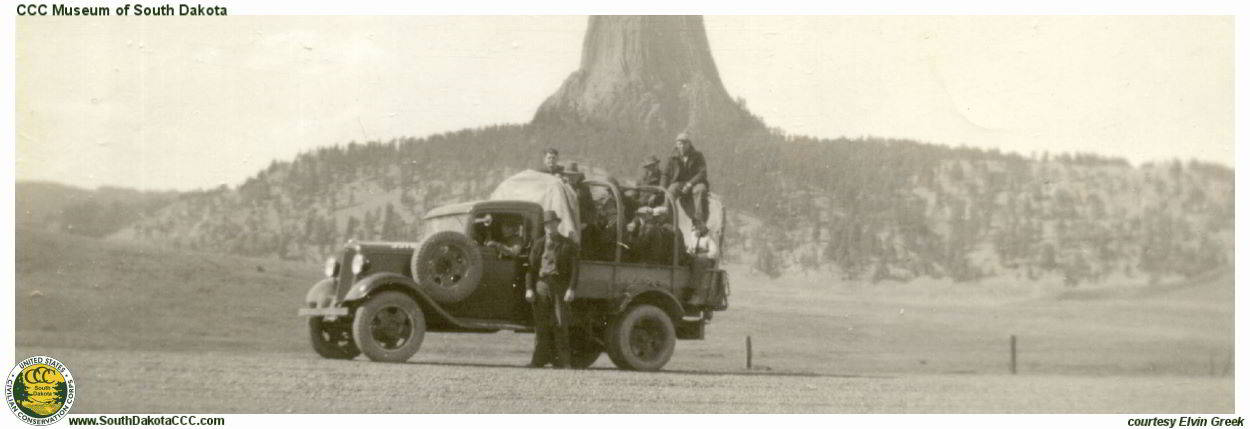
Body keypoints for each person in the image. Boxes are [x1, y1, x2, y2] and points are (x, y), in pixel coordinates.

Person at [525, 210, 579, 368]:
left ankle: (564, 361)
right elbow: (530, 268)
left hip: (559, 286)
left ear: (558, 224)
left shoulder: (567, 244)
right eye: (547, 224)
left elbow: (575, 269)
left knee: (560, 323)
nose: (550, 227)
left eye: (553, 223)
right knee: (541, 324)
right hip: (541, 285)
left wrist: (571, 289)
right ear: (545, 226)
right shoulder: (539, 243)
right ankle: (538, 361)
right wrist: (529, 289)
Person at [662, 133, 710, 226]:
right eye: (679, 144)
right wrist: (662, 189)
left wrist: (690, 184)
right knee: (670, 191)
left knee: (700, 190)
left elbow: (702, 172)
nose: (682, 146)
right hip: (679, 183)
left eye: (684, 143)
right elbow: (665, 174)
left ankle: (698, 221)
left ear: (689, 144)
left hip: (695, 183)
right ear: (676, 145)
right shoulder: (672, 157)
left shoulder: (697, 155)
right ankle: (669, 222)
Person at [685, 226, 720, 306]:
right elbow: (689, 249)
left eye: (699, 227)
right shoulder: (693, 236)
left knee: (697, 262)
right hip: (695, 259)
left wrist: (700, 256)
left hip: (706, 260)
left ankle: (696, 293)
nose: (696, 229)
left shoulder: (709, 237)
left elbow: (714, 253)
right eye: (695, 227)